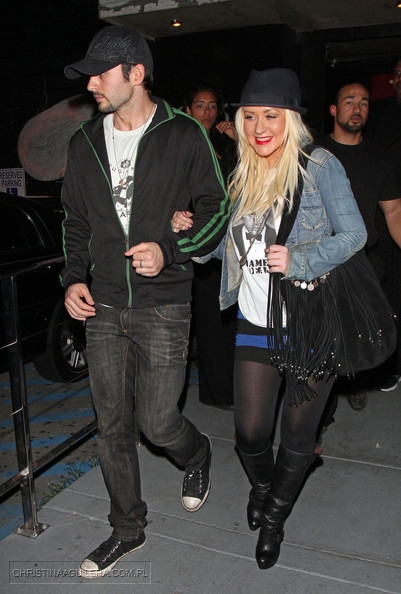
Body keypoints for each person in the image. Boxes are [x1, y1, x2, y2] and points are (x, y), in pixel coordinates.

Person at [173, 68, 367, 569]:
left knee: (298, 435)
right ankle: (265, 487)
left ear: (292, 119)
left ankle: (274, 517)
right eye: (250, 116)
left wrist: (299, 259)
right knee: (251, 434)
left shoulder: (319, 166)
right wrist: (189, 233)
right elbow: (222, 250)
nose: (260, 127)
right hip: (256, 321)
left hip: (311, 323)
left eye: (271, 116)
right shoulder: (243, 174)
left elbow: (354, 235)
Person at [61, 25, 231, 579]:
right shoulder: (84, 142)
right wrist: (73, 278)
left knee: (158, 422)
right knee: (112, 425)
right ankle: (127, 528)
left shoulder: (183, 134)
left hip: (163, 303)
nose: (91, 84)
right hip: (104, 305)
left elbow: (217, 208)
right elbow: (75, 221)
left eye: (100, 73)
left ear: (136, 73)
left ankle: (197, 453)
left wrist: (172, 250)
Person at [318, 82, 401, 418]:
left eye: (364, 103)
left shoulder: (379, 158)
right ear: (334, 110)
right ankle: (320, 415)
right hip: (319, 262)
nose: (357, 109)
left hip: (361, 263)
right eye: (349, 102)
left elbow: (394, 213)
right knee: (321, 342)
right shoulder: (312, 154)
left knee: (357, 337)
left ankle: (351, 384)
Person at [182, 84, 238, 408]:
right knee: (208, 319)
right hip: (199, 241)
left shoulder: (224, 146)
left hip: (230, 242)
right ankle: (216, 392)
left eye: (213, 106)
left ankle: (232, 387)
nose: (207, 112)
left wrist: (238, 139)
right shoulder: (181, 142)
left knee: (229, 317)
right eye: (201, 105)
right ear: (188, 109)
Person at [364, 58, 401, 390]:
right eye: (398, 73)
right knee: (387, 298)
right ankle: (387, 367)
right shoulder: (378, 113)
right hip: (384, 219)